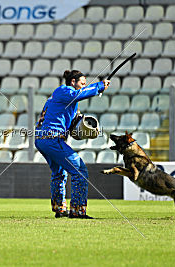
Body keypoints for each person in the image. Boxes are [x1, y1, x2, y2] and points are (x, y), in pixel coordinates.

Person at [35, 70, 110, 219]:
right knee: (80, 169)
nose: (83, 86)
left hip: (43, 139)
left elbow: (71, 121)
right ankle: (78, 210)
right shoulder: (64, 90)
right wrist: (99, 86)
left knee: (59, 173)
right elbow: (78, 94)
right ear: (73, 82)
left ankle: (60, 208)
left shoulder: (58, 101)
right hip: (52, 139)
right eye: (82, 83)